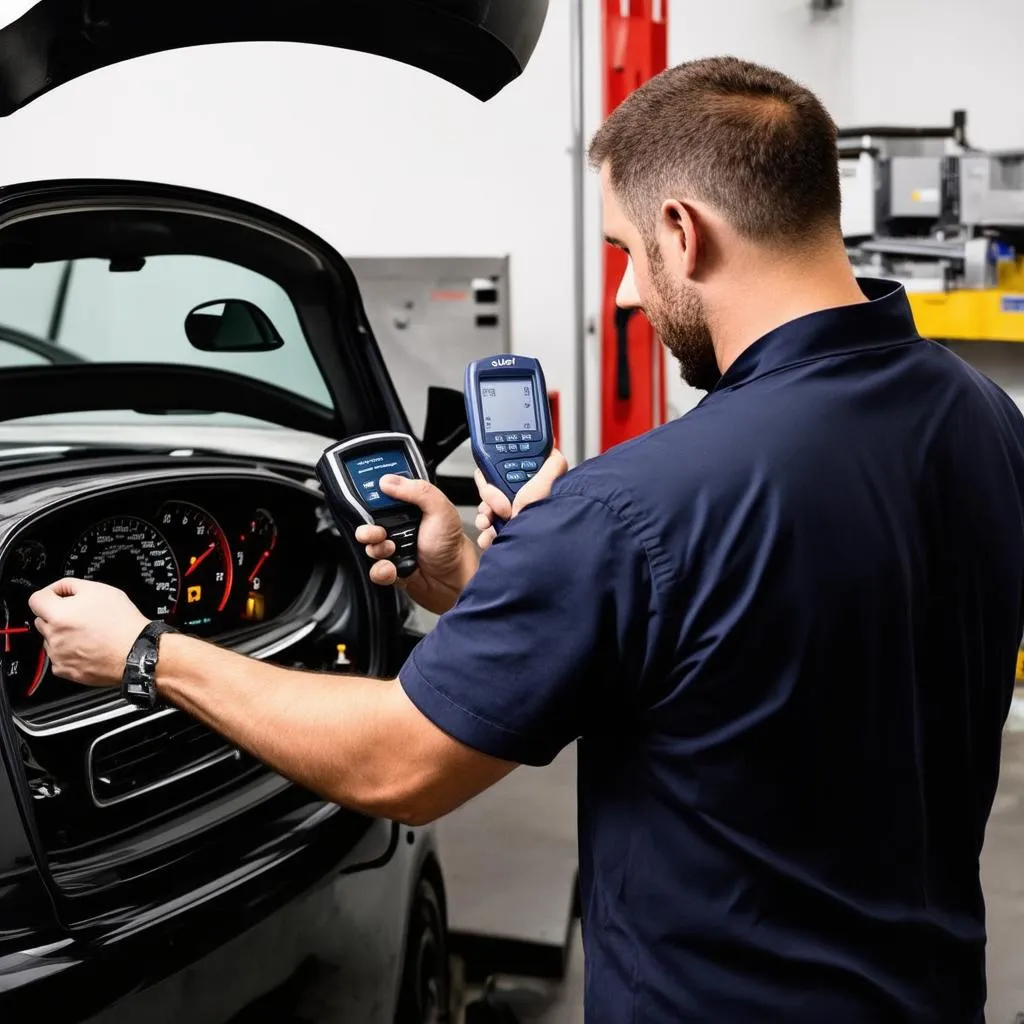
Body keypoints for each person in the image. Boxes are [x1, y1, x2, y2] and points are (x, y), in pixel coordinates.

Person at [28, 56, 1024, 1023]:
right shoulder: (984, 420)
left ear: (684, 233)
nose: (627, 294)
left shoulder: (634, 506)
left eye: (625, 251)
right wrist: (480, 583)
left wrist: (144, 652)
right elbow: (753, 653)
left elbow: (399, 767)